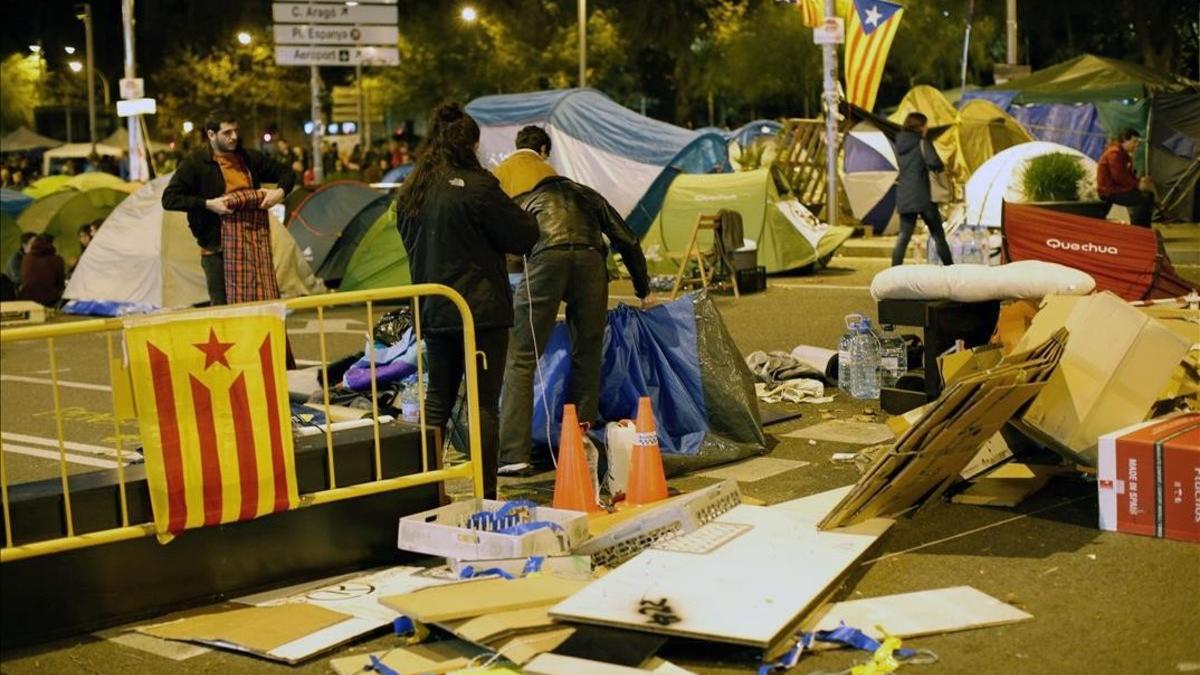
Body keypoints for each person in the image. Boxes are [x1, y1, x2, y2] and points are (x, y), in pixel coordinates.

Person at [395, 101, 540, 499]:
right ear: (470, 145)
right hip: (480, 313)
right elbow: (523, 233)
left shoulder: (412, 190)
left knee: (437, 400)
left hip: (433, 308)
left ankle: (428, 489)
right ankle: (486, 492)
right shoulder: (478, 187)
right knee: (484, 405)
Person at [497, 174, 654, 475]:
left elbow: (505, 243)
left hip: (546, 260)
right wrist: (643, 288)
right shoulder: (589, 196)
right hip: (590, 260)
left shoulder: (528, 199)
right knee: (588, 350)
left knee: (522, 357)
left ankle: (514, 455)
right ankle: (581, 439)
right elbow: (627, 239)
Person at [162, 109, 295, 305]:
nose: (234, 137)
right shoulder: (196, 163)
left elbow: (286, 173)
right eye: (227, 133)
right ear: (211, 135)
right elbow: (170, 198)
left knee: (260, 305)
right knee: (224, 311)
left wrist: (279, 193)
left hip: (253, 246)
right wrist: (208, 204)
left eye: (235, 131)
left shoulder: (248, 158)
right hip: (217, 250)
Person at [891, 112, 953, 267]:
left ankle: (894, 269)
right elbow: (934, 163)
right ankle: (950, 268)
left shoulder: (899, 143)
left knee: (904, 235)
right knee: (937, 235)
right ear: (920, 127)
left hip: (905, 193)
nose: (927, 128)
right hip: (923, 194)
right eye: (925, 125)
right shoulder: (922, 142)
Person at [1098, 128, 1154, 227]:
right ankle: (1140, 230)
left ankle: (1143, 228)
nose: (1137, 145)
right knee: (1145, 198)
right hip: (1110, 191)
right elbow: (1118, 177)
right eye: (1134, 141)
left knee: (1148, 195)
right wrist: (1137, 184)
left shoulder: (1123, 154)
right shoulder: (1114, 153)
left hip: (1117, 189)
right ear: (1124, 140)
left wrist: (1139, 181)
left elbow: (1127, 176)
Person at [493, 126, 557, 198]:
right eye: (546, 156)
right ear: (543, 148)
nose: (545, 160)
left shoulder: (498, 170)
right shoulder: (549, 172)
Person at [19, 235, 65, 307]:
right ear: (51, 244)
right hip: (50, 300)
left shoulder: (26, 258)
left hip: (27, 299)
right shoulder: (56, 260)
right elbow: (60, 284)